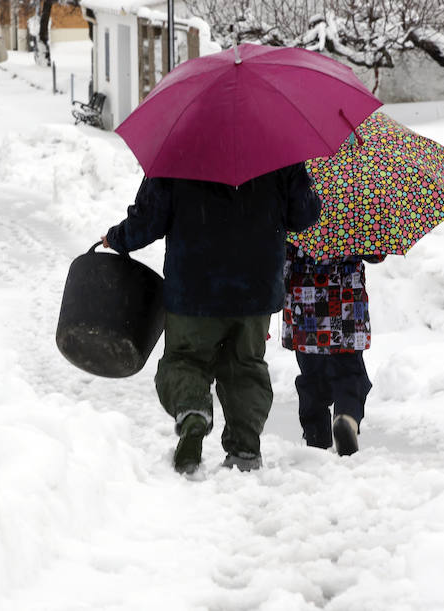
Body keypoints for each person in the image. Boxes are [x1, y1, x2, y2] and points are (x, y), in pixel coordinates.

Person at [102, 165, 321, 474]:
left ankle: (193, 412)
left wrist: (117, 238)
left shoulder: (178, 150)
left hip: (194, 287)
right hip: (255, 289)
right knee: (245, 366)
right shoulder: (278, 151)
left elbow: (148, 220)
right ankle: (244, 448)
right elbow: (304, 216)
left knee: (184, 360)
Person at [281, 243, 384, 456]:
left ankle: (316, 437)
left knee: (311, 377)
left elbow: (282, 259)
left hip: (306, 301)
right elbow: (376, 255)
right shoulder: (356, 210)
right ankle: (346, 417)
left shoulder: (299, 211)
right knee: (350, 373)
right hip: (346, 299)